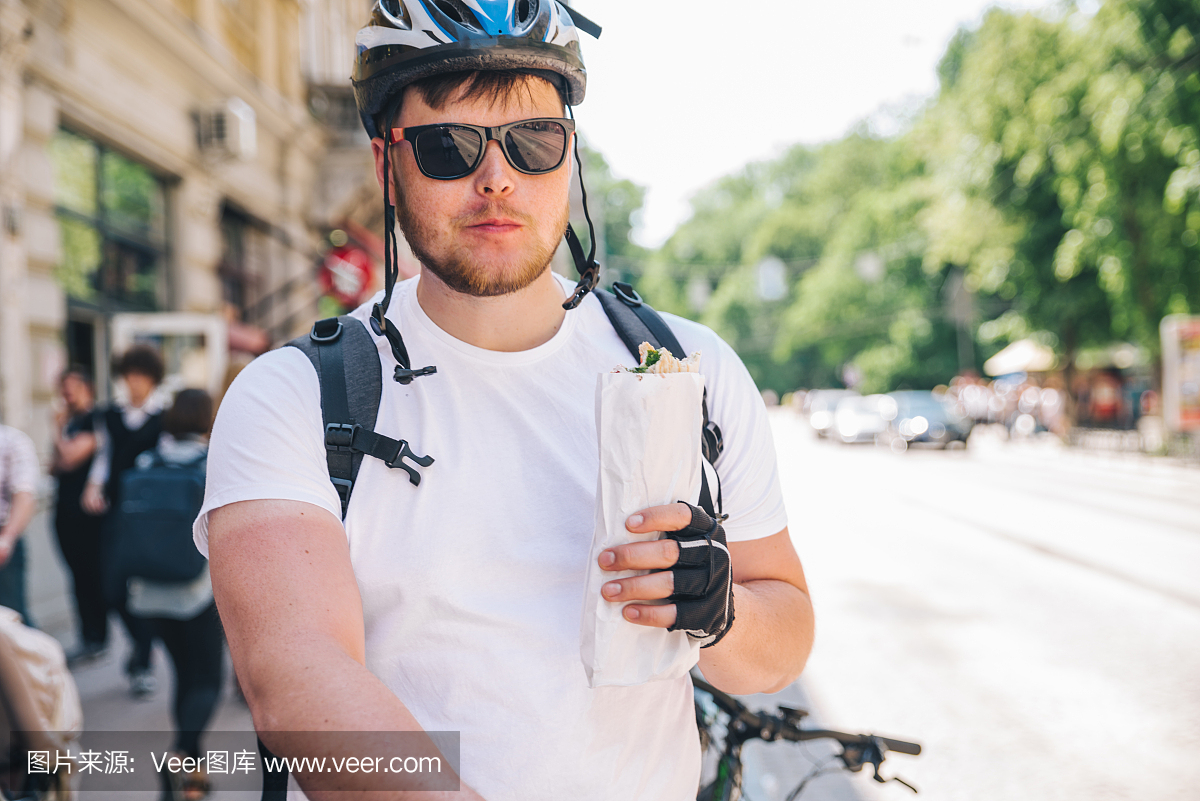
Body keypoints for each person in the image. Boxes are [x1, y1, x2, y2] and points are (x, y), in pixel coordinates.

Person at [200, 3, 814, 799]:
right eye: (449, 147)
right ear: (388, 167)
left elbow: (783, 643)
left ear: (571, 157)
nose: (497, 179)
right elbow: (298, 685)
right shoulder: (291, 397)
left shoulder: (688, 369)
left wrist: (719, 610)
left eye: (532, 142)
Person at [127, 389, 223, 801]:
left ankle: (192, 780)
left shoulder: (146, 462)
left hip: (148, 593)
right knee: (208, 681)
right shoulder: (213, 465)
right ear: (206, 420)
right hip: (196, 593)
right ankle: (182, 755)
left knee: (184, 677)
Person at [82, 343, 165, 697]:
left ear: (153, 379)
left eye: (141, 376)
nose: (135, 382)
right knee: (111, 589)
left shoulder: (164, 417)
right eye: (130, 375)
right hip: (115, 513)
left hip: (148, 517)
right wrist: (92, 486)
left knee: (143, 587)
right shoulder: (110, 416)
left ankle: (143, 661)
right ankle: (140, 645)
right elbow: (104, 457)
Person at [50, 368, 109, 663]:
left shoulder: (93, 419)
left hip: (87, 515)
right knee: (76, 576)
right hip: (65, 510)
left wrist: (56, 430)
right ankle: (89, 636)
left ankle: (99, 637)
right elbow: (54, 464)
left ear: (86, 388)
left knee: (92, 575)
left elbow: (70, 458)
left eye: (70, 388)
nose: (65, 395)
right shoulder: (72, 422)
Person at [0, 422, 39, 626]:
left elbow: (24, 495)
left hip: (3, 539)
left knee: (12, 621)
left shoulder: (12, 441)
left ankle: (40, 658)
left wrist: (7, 538)